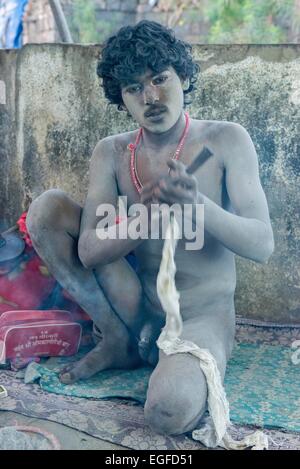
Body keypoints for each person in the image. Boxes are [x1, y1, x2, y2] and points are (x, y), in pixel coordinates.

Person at [26, 20, 274, 436]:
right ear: (121, 98)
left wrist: (196, 203)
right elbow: (89, 251)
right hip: (136, 306)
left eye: (160, 79)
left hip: (200, 315)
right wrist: (148, 214)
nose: (151, 97)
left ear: (184, 77)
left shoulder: (228, 140)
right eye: (134, 88)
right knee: (46, 210)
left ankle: (169, 360)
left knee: (169, 410)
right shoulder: (112, 152)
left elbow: (262, 244)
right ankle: (118, 340)